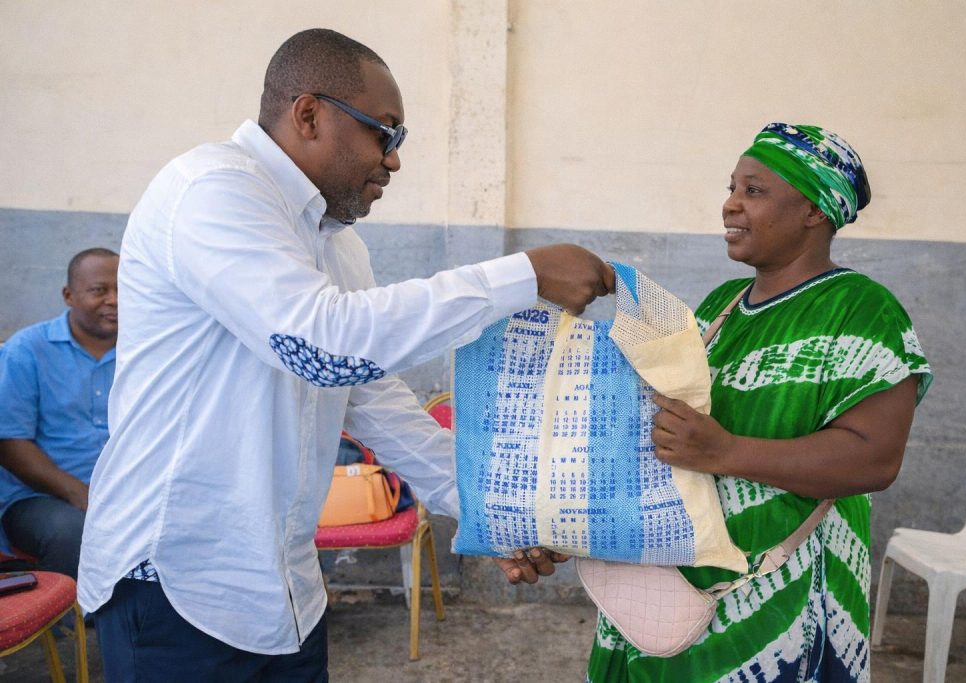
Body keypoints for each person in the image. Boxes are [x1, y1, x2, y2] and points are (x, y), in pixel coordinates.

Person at [77, 28, 612, 681]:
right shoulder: (212, 189)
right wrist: (523, 275)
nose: (392, 160)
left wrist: (490, 512)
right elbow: (325, 346)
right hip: (177, 590)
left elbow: (375, 400)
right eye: (384, 133)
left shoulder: (335, 244)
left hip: (285, 593)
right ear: (308, 114)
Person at [587, 123, 932, 682]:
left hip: (776, 600)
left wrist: (725, 451)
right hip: (672, 590)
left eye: (754, 191)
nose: (730, 205)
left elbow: (875, 459)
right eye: (731, 189)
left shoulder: (864, 311)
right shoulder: (722, 306)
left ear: (814, 210)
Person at [0, 247, 119, 578]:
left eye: (123, 288)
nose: (114, 300)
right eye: (99, 291)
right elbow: (10, 443)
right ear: (69, 295)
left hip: (123, 493)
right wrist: (80, 494)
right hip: (39, 498)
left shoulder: (142, 352)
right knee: (74, 532)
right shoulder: (27, 350)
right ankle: (69, 625)